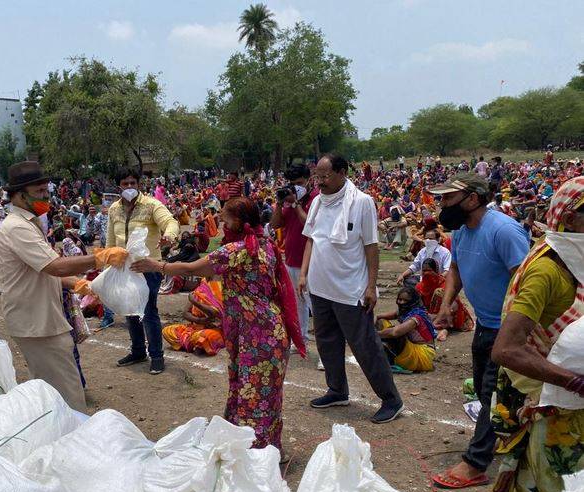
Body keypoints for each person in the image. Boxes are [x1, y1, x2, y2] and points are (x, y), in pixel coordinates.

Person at [132, 197, 304, 450]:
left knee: (252, 392)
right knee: (262, 391)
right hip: (264, 329)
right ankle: (265, 449)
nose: (221, 221)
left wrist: (157, 265)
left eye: (225, 217)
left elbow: (193, 267)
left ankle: (252, 454)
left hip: (257, 332)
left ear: (238, 221)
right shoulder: (265, 244)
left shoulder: (238, 250)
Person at [488, 176, 584, 492]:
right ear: (568, 218)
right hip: (542, 402)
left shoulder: (569, 261)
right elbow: (506, 349)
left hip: (554, 397)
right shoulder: (547, 271)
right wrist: (573, 381)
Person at [0, 161, 128, 411]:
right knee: (67, 397)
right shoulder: (17, 227)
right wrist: (101, 257)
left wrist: (78, 284)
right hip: (37, 323)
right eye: (39, 192)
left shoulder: (28, 223)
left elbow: (43, 271)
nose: (46, 197)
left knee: (55, 394)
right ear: (18, 195)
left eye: (47, 191)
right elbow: (54, 266)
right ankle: (73, 443)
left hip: (40, 319)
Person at [429, 173, 530, 489]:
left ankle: (475, 463)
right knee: (492, 394)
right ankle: (513, 441)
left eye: (447, 198)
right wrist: (447, 304)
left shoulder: (503, 231)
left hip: (508, 330)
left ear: (472, 199)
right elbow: (456, 268)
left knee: (492, 395)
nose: (441, 205)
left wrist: (515, 332)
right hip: (485, 326)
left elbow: (526, 282)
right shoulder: (460, 233)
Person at [297, 153, 405, 424]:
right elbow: (311, 239)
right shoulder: (317, 203)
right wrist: (304, 273)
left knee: (365, 346)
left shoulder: (362, 203)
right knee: (327, 342)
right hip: (321, 288)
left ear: (342, 172)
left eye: (325, 176)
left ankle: (391, 399)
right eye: (317, 177)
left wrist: (371, 286)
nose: (319, 182)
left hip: (350, 289)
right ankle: (337, 390)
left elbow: (371, 246)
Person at [107, 167, 180, 375]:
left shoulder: (151, 205)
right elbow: (111, 239)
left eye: (133, 183)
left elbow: (170, 222)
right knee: (130, 311)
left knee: (148, 312)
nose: (129, 187)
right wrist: (107, 264)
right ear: (118, 186)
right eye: (125, 183)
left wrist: (169, 236)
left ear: (139, 184)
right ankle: (138, 351)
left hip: (149, 267)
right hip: (125, 267)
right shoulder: (114, 209)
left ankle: (156, 356)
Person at [270, 165, 313, 347]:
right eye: (292, 184)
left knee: (317, 306)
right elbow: (275, 224)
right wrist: (280, 203)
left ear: (308, 180)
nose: (295, 187)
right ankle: (301, 340)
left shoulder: (316, 198)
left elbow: (309, 225)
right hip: (291, 259)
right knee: (298, 303)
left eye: (299, 183)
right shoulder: (287, 201)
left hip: (311, 262)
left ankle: (325, 350)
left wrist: (295, 204)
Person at [375, 286, 437, 372]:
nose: (401, 302)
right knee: (381, 322)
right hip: (412, 347)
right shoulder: (405, 311)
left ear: (413, 302)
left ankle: (387, 358)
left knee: (396, 335)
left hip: (423, 354)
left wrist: (374, 333)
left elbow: (395, 332)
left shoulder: (416, 317)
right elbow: (381, 316)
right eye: (400, 299)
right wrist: (376, 319)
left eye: (405, 301)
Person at [415, 258, 475, 341]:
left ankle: (443, 328)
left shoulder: (444, 284)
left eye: (429, 270)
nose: (426, 273)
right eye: (424, 271)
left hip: (449, 313)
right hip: (430, 314)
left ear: (435, 271)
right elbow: (418, 304)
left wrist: (440, 314)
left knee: (439, 292)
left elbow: (454, 304)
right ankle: (438, 326)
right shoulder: (419, 286)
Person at [161, 279, 225, 355]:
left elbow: (215, 314)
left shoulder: (218, 291)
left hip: (214, 329)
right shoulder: (196, 292)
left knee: (207, 335)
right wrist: (199, 320)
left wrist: (196, 303)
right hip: (194, 328)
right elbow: (185, 313)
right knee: (167, 330)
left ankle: (196, 344)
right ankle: (196, 344)